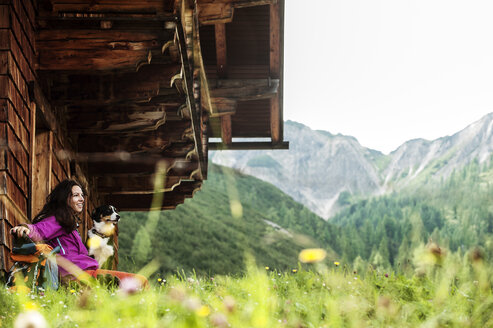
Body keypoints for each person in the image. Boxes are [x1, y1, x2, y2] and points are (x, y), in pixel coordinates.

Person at [11, 179, 99, 277]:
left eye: (82, 195)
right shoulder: (58, 220)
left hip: (81, 270)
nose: (82, 199)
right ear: (64, 198)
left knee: (115, 281)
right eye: (76, 195)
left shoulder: (68, 223)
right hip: (71, 273)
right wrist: (25, 228)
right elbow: (39, 230)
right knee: (117, 280)